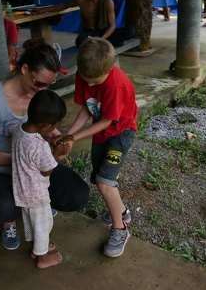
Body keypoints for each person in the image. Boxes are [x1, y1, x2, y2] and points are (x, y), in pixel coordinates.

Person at [0, 37, 90, 251]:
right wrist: (25, 161)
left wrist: (58, 139)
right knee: (1, 208)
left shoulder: (38, 95)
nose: (42, 90)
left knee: (78, 195)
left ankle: (41, 204)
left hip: (34, 171)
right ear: (25, 69)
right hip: (1, 171)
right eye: (39, 83)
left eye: (49, 85)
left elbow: (45, 128)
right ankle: (10, 222)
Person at [65, 38, 138, 257]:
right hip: (101, 135)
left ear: (110, 68)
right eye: (86, 81)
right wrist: (69, 135)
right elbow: (88, 109)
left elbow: (107, 120)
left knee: (105, 182)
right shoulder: (85, 75)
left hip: (121, 133)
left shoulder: (115, 84)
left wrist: (74, 137)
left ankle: (120, 229)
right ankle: (122, 212)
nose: (90, 86)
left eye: (95, 83)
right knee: (99, 177)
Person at [12, 89, 68, 268]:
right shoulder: (40, 147)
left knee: (32, 222)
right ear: (46, 125)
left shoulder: (20, 130)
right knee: (43, 225)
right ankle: (43, 258)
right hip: (37, 195)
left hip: (22, 190)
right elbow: (47, 170)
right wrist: (56, 152)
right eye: (55, 125)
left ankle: (38, 249)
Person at [33, 0, 134, 48]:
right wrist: (43, 9)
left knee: (130, 31)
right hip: (88, 33)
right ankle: (108, 43)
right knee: (80, 42)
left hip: (103, 32)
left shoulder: (107, 1)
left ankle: (101, 42)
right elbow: (63, 6)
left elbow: (112, 26)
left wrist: (100, 39)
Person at [1, 0, 19, 72]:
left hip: (8, 61)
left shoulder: (10, 25)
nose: (1, 13)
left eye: (2, 9)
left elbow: (10, 55)